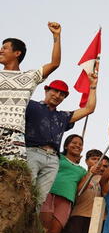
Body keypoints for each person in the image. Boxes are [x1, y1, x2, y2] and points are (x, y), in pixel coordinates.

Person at [25, 74, 97, 209]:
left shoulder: (63, 116)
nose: (58, 95)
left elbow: (89, 109)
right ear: (46, 90)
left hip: (52, 159)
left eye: (62, 94)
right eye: (55, 91)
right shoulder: (31, 105)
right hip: (31, 152)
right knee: (26, 190)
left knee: (39, 199)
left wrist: (92, 86)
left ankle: (30, 225)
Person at [0, 22, 61, 160]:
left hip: (15, 134)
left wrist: (56, 36)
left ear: (17, 53)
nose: (1, 50)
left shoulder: (29, 77)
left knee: (13, 175)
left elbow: (55, 63)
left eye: (4, 48)